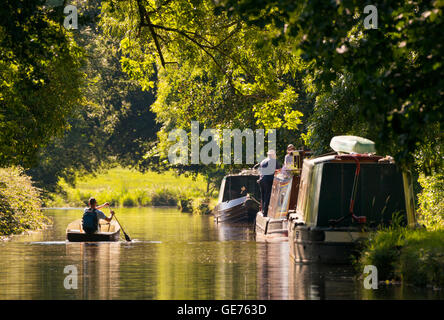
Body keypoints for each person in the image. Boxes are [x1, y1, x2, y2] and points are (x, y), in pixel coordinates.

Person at [254, 150, 281, 217]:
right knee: (268, 196)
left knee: (263, 196)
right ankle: (266, 213)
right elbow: (279, 170)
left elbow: (259, 170)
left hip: (261, 180)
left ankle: (263, 211)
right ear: (273, 155)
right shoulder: (274, 161)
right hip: (268, 180)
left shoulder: (263, 161)